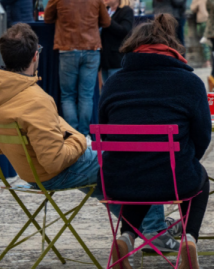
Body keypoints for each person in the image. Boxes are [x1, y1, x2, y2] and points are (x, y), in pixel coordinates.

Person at [0, 24, 175, 256]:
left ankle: (140, 227)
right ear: (35, 55)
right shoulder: (35, 100)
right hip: (52, 173)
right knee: (139, 160)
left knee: (108, 175)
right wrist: (80, 141)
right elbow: (54, 161)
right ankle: (155, 231)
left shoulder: (8, 95)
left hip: (29, 171)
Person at [100, 14, 211, 269]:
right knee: (197, 178)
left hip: (120, 179)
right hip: (174, 178)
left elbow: (105, 133)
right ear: (171, 46)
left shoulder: (113, 83)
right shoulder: (190, 83)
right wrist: (187, 160)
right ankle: (189, 240)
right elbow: (203, 136)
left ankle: (126, 238)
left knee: (144, 171)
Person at [44, 0, 110, 136]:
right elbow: (106, 21)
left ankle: (73, 135)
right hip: (92, 49)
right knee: (86, 95)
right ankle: (85, 135)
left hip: (67, 49)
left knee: (67, 96)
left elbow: (47, 18)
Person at [100, 0, 135, 82]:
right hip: (104, 60)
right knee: (106, 91)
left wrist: (107, 18)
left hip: (117, 60)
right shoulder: (106, 10)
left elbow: (124, 31)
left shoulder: (126, 11)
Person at [190, 0, 212, 66]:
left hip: (203, 21)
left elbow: (193, 8)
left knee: (205, 41)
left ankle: (207, 61)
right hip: (212, 21)